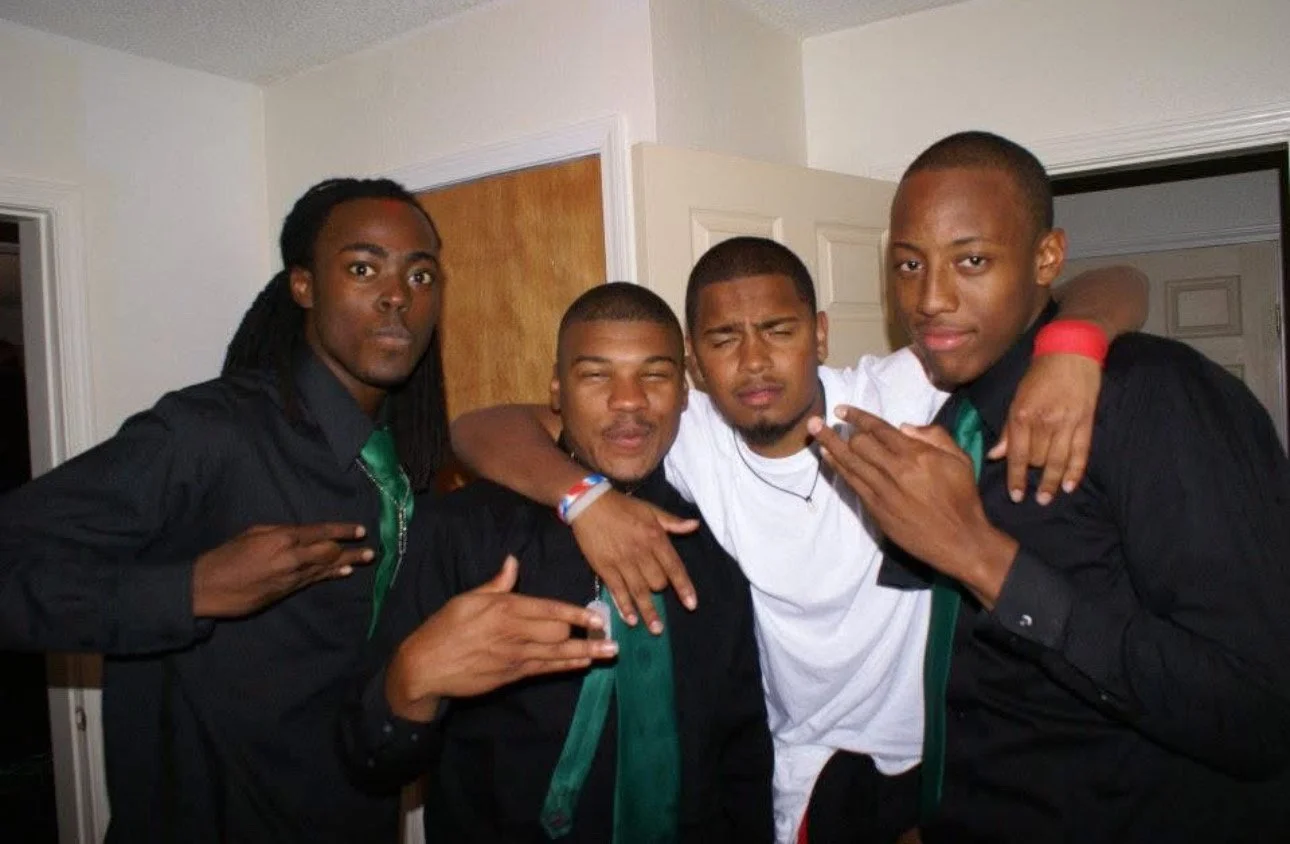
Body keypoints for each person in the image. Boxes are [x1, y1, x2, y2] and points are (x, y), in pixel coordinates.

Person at [451, 239, 1147, 841]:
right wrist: (586, 501)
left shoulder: (899, 393)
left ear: (817, 334)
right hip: (799, 767)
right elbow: (480, 429)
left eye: (777, 330)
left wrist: (1071, 349)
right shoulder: (684, 432)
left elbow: (1118, 282)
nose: (753, 362)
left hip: (934, 758)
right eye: (725, 340)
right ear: (695, 363)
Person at [0, 178, 607, 843]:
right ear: (304, 287)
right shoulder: (209, 434)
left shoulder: (404, 462)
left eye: (421, 273)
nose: (397, 295)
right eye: (362, 268)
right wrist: (191, 589)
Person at [813, 130, 1290, 843]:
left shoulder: (1152, 398)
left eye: (970, 260)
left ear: (1047, 259)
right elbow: (979, 681)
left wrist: (983, 558)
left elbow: (1260, 710)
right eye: (909, 264)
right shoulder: (949, 418)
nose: (930, 297)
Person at [344, 282, 773, 842]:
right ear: (555, 388)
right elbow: (367, 758)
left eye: (654, 374)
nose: (629, 400)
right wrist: (412, 684)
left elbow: (742, 751)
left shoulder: (721, 535)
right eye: (596, 375)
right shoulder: (463, 533)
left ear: (685, 390)